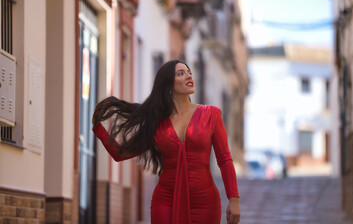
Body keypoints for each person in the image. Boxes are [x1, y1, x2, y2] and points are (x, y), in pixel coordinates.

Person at [92, 60, 241, 224]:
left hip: (205, 202)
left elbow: (224, 159)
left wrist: (233, 199)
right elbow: (121, 153)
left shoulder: (211, 114)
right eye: (180, 73)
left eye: (189, 72)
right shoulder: (156, 122)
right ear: (168, 84)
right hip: (165, 201)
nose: (188, 76)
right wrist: (99, 129)